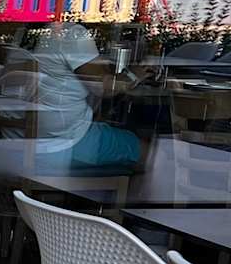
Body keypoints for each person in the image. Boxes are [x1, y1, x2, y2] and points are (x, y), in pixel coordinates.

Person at [20, 21, 144, 168]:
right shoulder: (71, 33)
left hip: (16, 139)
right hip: (63, 143)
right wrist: (134, 75)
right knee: (150, 151)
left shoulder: (22, 33)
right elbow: (105, 88)